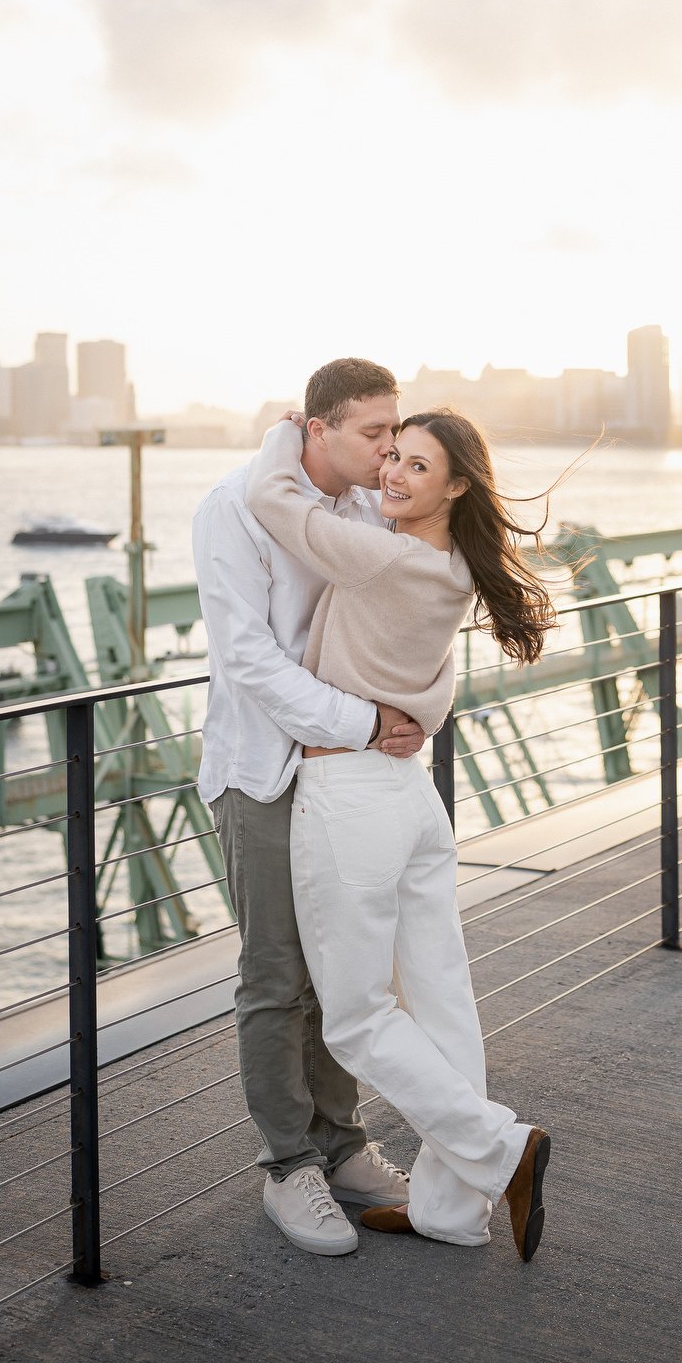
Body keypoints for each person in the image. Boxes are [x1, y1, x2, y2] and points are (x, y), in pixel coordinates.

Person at [243, 405, 558, 1259]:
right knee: (441, 1000)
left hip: (350, 797)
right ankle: (452, 1212)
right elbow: (436, 690)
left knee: (354, 1017)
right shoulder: (454, 567)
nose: (392, 474)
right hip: (410, 797)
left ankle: (503, 1149)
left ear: (456, 485)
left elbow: (277, 501)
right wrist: (407, 712)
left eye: (417, 466)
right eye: (394, 458)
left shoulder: (384, 552)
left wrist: (285, 429)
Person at [192, 359, 421, 1259]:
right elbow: (249, 659)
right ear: (315, 429)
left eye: (395, 433)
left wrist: (398, 720)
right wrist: (364, 722)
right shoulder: (231, 508)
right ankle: (289, 1166)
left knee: (343, 969)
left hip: (345, 777)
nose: (390, 450)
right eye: (374, 433)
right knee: (276, 977)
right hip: (262, 772)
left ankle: (343, 1144)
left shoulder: (371, 507)